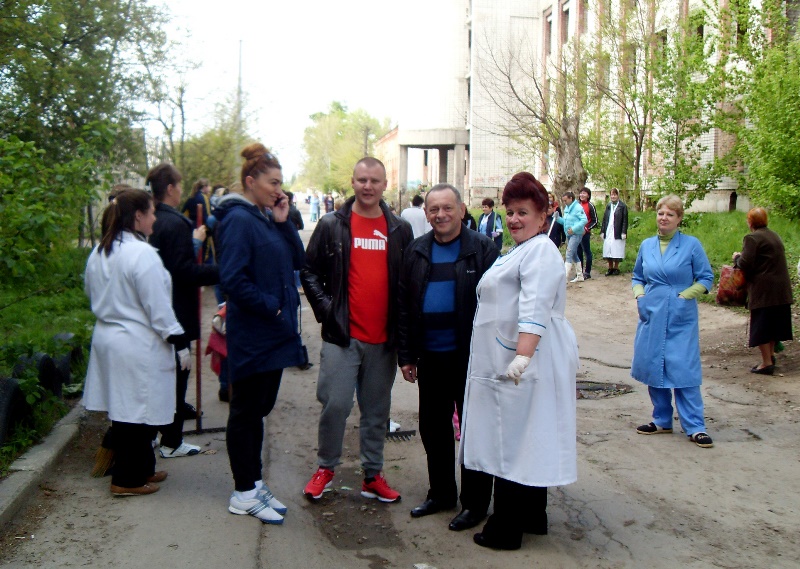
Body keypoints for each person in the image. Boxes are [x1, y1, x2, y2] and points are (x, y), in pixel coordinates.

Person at [458, 172, 579, 550]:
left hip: (523, 360)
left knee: (512, 440)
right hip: (510, 357)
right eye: (509, 212)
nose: (513, 219)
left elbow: (535, 307)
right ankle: (531, 516)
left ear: (543, 216)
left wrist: (522, 357)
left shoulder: (540, 250)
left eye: (522, 212)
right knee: (528, 435)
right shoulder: (521, 250)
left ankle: (506, 529)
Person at [301, 157, 413, 504]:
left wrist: (407, 338)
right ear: (352, 182)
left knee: (377, 411)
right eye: (362, 179)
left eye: (375, 181)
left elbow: (407, 284)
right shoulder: (332, 224)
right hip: (342, 336)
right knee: (335, 404)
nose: (368, 186)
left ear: (384, 185)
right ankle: (326, 468)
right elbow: (308, 271)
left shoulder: (399, 229)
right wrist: (327, 311)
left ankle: (372, 475)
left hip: (383, 339)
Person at [215, 143, 307, 524]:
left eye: (281, 183)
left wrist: (284, 222)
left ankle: (253, 482)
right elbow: (232, 279)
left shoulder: (265, 218)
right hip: (254, 334)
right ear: (251, 181)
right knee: (246, 412)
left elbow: (298, 261)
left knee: (259, 410)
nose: (278, 190)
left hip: (274, 334)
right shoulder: (238, 220)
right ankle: (243, 491)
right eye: (273, 183)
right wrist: (271, 306)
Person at [397, 183, 498, 523]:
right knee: (433, 428)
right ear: (426, 214)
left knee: (473, 429)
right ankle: (440, 494)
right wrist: (406, 355)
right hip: (430, 356)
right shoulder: (416, 251)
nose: (440, 215)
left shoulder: (482, 249)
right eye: (433, 209)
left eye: (447, 208)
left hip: (471, 358)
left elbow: (497, 307)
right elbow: (404, 305)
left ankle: (474, 503)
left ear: (461, 210)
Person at [84, 189, 189, 495]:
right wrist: (178, 339)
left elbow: (91, 292)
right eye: (151, 212)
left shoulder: (100, 251)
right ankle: (126, 479)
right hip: (136, 342)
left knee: (128, 409)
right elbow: (157, 305)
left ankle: (143, 469)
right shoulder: (141, 254)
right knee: (135, 412)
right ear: (138, 216)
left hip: (109, 338)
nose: (155, 218)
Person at [147, 163, 220, 458]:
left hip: (155, 310)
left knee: (161, 376)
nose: (181, 190)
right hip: (175, 309)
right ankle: (172, 440)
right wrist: (220, 271)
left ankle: (154, 434)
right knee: (178, 376)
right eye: (178, 185)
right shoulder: (176, 223)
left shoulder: (150, 219)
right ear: (170, 188)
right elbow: (182, 271)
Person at [632, 195, 715, 448]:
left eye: (670, 214)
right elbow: (637, 276)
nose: (664, 218)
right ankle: (661, 420)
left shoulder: (691, 245)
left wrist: (684, 296)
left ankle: (695, 426)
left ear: (679, 219)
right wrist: (640, 296)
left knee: (683, 368)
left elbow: (706, 278)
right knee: (653, 364)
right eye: (660, 213)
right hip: (652, 311)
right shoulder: (647, 245)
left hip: (680, 313)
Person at [732, 207, 793, 375]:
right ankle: (770, 356)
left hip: (764, 291)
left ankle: (766, 363)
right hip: (781, 289)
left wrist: (736, 257)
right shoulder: (774, 235)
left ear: (750, 222)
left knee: (762, 326)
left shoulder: (752, 238)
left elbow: (745, 263)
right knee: (773, 325)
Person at [556, 191, 588, 282]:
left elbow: (584, 220)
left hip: (576, 234)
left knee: (569, 253)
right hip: (569, 234)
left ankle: (564, 277)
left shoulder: (578, 207)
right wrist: (558, 218)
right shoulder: (567, 208)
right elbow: (566, 222)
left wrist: (573, 229)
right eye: (563, 201)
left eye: (565, 200)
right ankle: (580, 275)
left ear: (571, 198)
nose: (564, 202)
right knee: (574, 255)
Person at [181, 178, 215, 263]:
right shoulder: (204, 198)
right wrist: (210, 230)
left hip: (192, 231)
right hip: (203, 230)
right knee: (205, 257)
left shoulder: (191, 198)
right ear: (205, 187)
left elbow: (184, 215)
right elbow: (208, 217)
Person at [600, 188, 628, 276]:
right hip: (608, 230)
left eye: (615, 195)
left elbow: (625, 220)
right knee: (608, 248)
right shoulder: (608, 206)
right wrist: (602, 231)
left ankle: (616, 267)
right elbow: (604, 219)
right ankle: (610, 267)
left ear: (618, 195)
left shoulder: (622, 206)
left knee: (616, 249)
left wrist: (623, 232)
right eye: (612, 195)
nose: (613, 196)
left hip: (617, 230)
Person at [575, 187, 598, 279]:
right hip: (576, 233)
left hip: (585, 233)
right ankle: (579, 272)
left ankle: (587, 272)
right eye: (581, 193)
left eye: (584, 193)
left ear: (588, 195)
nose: (582, 195)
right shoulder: (576, 205)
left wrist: (586, 228)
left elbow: (595, 221)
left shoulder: (590, 206)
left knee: (587, 252)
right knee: (578, 252)